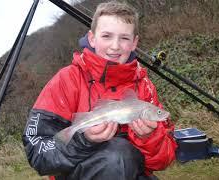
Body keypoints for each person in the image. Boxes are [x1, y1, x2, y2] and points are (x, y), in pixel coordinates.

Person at [22, 1, 177, 180]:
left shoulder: (144, 86)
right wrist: (83, 141)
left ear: (135, 43)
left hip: (132, 172)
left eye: (124, 38)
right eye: (106, 36)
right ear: (92, 38)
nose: (115, 46)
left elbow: (164, 160)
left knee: (122, 157)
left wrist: (149, 138)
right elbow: (38, 154)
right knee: (116, 157)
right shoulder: (66, 80)